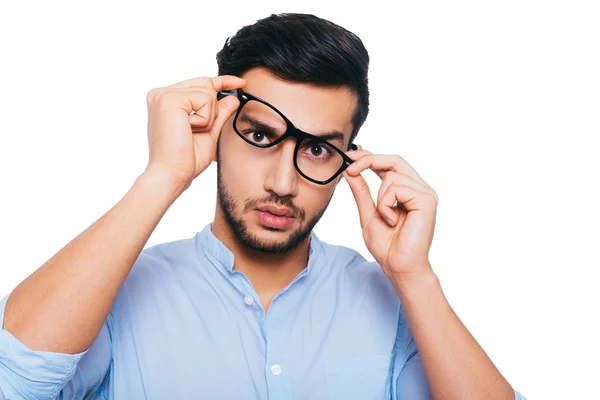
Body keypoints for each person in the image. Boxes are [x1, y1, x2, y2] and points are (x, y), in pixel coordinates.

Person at [0, 13, 527, 400]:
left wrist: (415, 279)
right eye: (259, 134)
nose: (282, 183)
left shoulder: (393, 307)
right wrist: (161, 177)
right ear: (216, 131)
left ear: (352, 159)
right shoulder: (116, 290)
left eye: (318, 148)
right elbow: (14, 378)